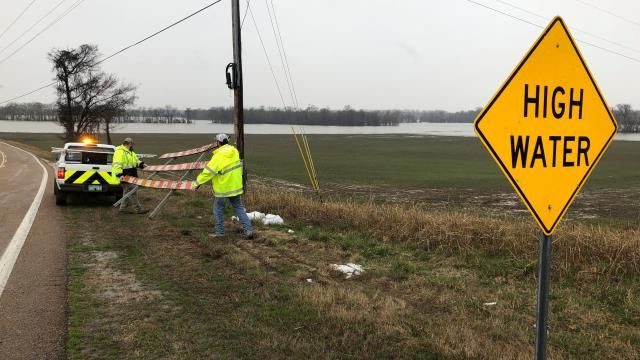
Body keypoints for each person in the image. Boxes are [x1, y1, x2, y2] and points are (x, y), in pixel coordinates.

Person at [193, 133, 253, 238]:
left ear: (218, 143)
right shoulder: (234, 151)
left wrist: (197, 183)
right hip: (235, 187)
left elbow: (208, 172)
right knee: (239, 208)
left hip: (223, 188)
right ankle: (248, 231)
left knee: (218, 210)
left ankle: (220, 233)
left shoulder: (218, 156)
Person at [112, 137, 148, 214]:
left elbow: (135, 161)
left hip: (131, 176)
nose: (132, 146)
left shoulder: (131, 152)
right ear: (129, 144)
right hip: (124, 176)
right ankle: (138, 209)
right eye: (132, 144)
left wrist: (142, 164)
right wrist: (120, 175)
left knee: (127, 192)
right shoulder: (119, 151)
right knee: (132, 192)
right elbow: (116, 164)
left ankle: (123, 208)